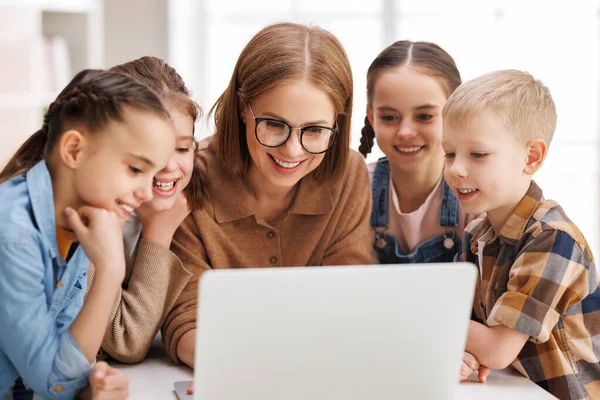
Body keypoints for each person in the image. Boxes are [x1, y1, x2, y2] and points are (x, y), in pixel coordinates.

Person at [161, 22, 374, 369]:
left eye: (315, 130)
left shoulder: (349, 174)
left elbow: (349, 305)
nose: (292, 150)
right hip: (233, 371)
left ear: (338, 122)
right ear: (243, 108)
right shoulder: (189, 176)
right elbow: (186, 323)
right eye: (274, 124)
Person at [0, 69, 175, 399]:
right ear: (75, 151)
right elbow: (53, 381)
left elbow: (61, 362)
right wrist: (110, 272)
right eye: (136, 169)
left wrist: (90, 385)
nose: (147, 193)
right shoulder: (12, 235)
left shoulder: (80, 223)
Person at [445, 69, 600, 399]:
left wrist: (432, 322)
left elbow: (498, 348)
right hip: (516, 391)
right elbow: (474, 335)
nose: (456, 168)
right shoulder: (476, 235)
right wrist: (465, 353)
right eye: (449, 153)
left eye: (478, 154)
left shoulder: (553, 240)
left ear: (531, 157)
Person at [85, 56, 205, 364]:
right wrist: (159, 232)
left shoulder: (181, 198)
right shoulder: (89, 216)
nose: (169, 165)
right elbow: (127, 341)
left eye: (182, 148)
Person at [359, 40, 477, 264]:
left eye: (424, 116)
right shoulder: (356, 190)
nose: (405, 132)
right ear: (372, 118)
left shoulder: (475, 192)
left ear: (455, 113)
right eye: (389, 117)